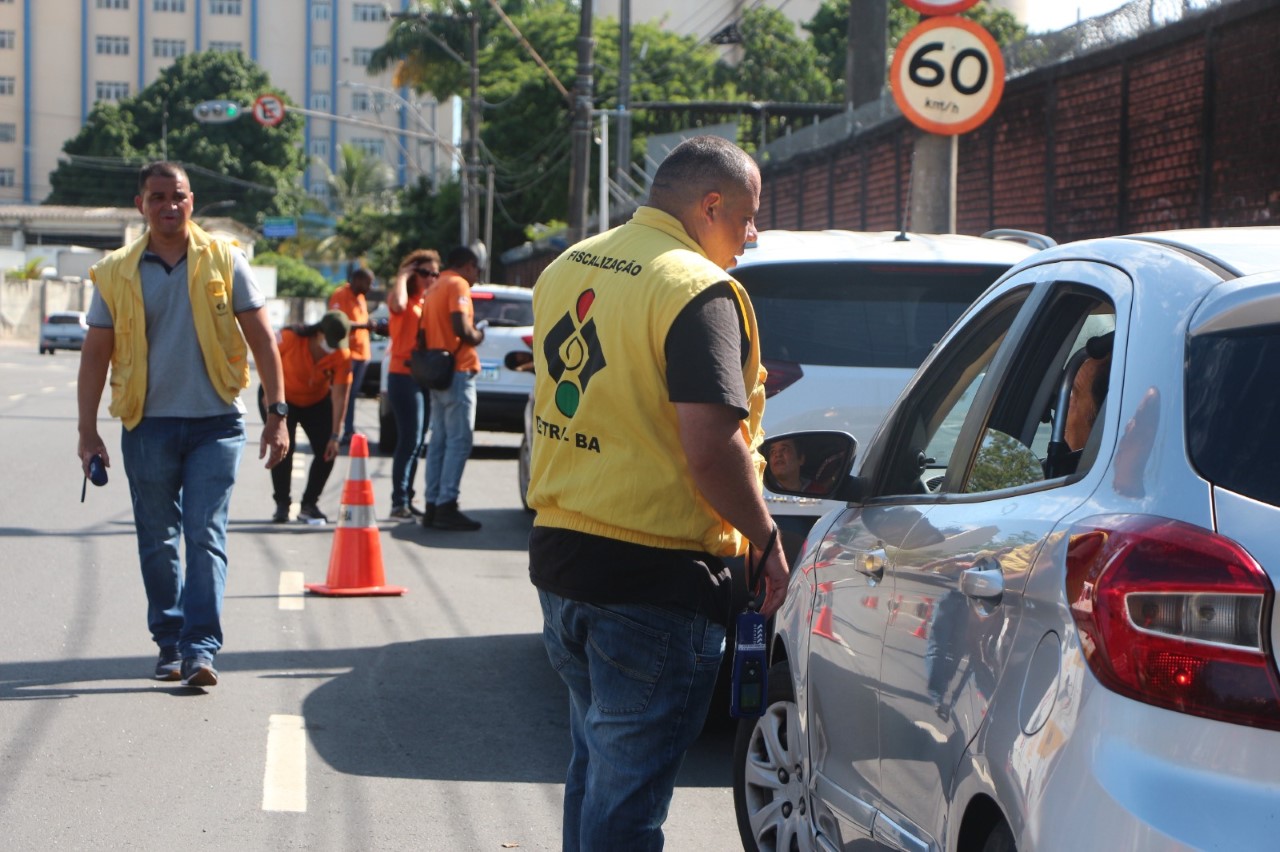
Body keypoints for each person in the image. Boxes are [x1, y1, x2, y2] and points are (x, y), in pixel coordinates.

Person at [526, 135, 789, 850]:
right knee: (627, 802)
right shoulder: (695, 287)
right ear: (711, 205)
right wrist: (766, 541)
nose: (752, 233)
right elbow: (710, 449)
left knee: (598, 772)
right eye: (748, 214)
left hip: (561, 562)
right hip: (653, 578)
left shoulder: (569, 264)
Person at [76, 160, 289, 689]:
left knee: (205, 533)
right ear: (140, 205)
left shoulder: (225, 259)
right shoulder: (115, 271)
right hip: (146, 425)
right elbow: (95, 353)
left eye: (179, 196)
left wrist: (277, 413)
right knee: (158, 539)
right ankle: (169, 641)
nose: (169, 206)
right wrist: (87, 431)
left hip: (216, 423)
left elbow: (264, 340)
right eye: (157, 197)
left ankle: (200, 649)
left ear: (193, 201)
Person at [261, 310, 353, 524]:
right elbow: (266, 361)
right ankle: (282, 503)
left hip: (316, 401)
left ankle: (309, 504)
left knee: (327, 451)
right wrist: (272, 410)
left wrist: (335, 435)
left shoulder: (342, 354)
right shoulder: (291, 338)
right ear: (318, 333)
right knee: (282, 448)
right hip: (281, 398)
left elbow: (340, 395)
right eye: (328, 341)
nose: (331, 348)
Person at [419, 245, 485, 530]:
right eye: (477, 269)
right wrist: (478, 335)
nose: (476, 275)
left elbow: (422, 333)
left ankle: (432, 504)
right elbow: (461, 327)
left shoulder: (433, 288)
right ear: (469, 265)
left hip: (437, 371)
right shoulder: (457, 284)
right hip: (457, 370)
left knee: (439, 440)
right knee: (458, 442)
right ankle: (447, 504)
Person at [386, 249, 439, 519]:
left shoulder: (424, 302)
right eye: (426, 273)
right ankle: (399, 501)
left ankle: (407, 497)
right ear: (413, 275)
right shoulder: (403, 300)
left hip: (422, 377)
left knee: (418, 442)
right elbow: (397, 305)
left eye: (435, 274)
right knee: (409, 439)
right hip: (402, 376)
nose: (432, 278)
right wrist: (403, 276)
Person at [327, 265, 374, 445]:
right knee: (343, 395)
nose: (370, 287)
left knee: (352, 395)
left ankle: (348, 429)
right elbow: (337, 323)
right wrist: (363, 326)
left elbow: (361, 322)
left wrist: (369, 325)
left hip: (363, 354)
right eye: (368, 283)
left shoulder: (361, 298)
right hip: (347, 354)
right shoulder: (340, 295)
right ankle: (340, 430)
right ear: (358, 280)